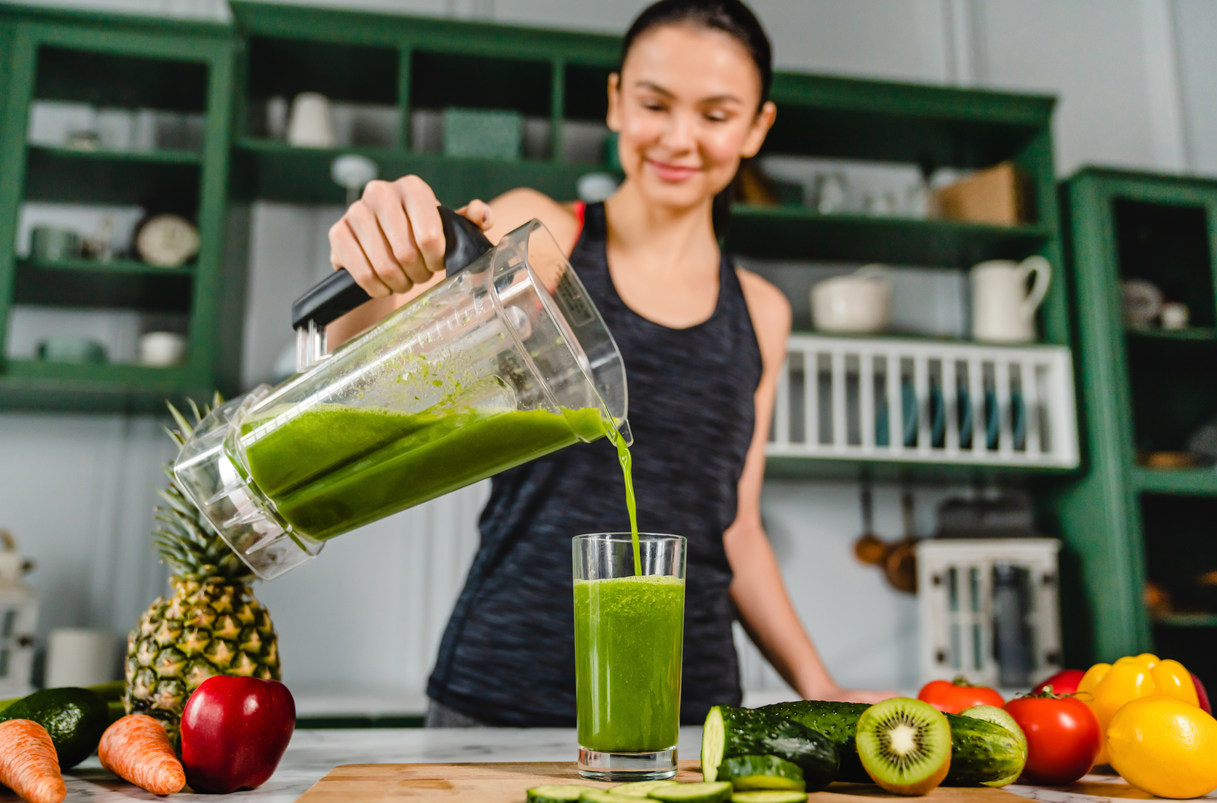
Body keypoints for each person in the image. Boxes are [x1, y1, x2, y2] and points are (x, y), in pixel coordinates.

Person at [326, 0, 893, 727]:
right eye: (655, 104)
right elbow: (359, 355)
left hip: (688, 713)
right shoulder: (543, 241)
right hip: (502, 700)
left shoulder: (762, 312)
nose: (679, 139)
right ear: (617, 101)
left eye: (716, 115)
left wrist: (820, 684)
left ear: (756, 128)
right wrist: (375, 259)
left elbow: (737, 527)